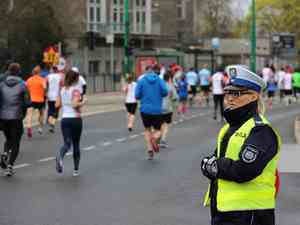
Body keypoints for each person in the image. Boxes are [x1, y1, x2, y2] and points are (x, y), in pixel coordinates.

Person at [201, 65, 281, 225]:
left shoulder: (261, 130)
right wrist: (212, 165)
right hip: (224, 211)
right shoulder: (228, 128)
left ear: (253, 97)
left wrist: (215, 166)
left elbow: (244, 170)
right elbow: (213, 161)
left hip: (250, 214)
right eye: (228, 92)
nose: (230, 98)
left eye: (236, 93)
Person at [0, 63, 31, 176]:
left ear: (8, 71)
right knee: (16, 142)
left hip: (3, 118)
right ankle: (10, 166)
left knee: (8, 139)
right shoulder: (23, 85)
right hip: (16, 117)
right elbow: (28, 102)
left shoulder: (2, 84)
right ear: (19, 72)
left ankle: (4, 154)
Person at [55, 70, 87, 176]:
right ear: (75, 79)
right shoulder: (76, 90)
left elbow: (57, 105)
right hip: (75, 119)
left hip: (65, 119)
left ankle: (60, 156)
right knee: (76, 144)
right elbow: (75, 105)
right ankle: (76, 170)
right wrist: (83, 102)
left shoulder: (62, 90)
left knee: (67, 143)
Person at [135, 64, 168, 160]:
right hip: (157, 110)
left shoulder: (141, 81)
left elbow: (137, 95)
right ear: (153, 71)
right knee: (158, 130)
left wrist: (143, 95)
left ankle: (150, 150)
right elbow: (165, 92)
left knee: (147, 129)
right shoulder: (159, 80)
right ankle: (154, 138)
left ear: (145, 71)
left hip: (144, 110)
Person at [26, 65, 47, 137]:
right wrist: (44, 94)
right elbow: (44, 88)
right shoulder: (42, 79)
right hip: (41, 100)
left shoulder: (29, 80)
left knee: (30, 114)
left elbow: (26, 89)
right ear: (39, 72)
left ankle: (29, 128)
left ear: (33, 72)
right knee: (41, 114)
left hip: (32, 99)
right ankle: (40, 128)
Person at [160, 70, 178, 148]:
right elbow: (175, 98)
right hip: (168, 108)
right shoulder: (171, 86)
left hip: (158, 108)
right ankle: (163, 140)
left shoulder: (159, 86)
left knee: (159, 124)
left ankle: (157, 137)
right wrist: (175, 106)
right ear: (169, 78)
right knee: (166, 124)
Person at [46, 66, 63, 133]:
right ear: (57, 70)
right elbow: (61, 86)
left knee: (50, 109)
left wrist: (46, 93)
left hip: (50, 96)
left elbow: (45, 85)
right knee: (56, 111)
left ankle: (50, 121)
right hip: (57, 96)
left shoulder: (48, 77)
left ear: (52, 70)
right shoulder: (60, 77)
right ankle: (52, 123)